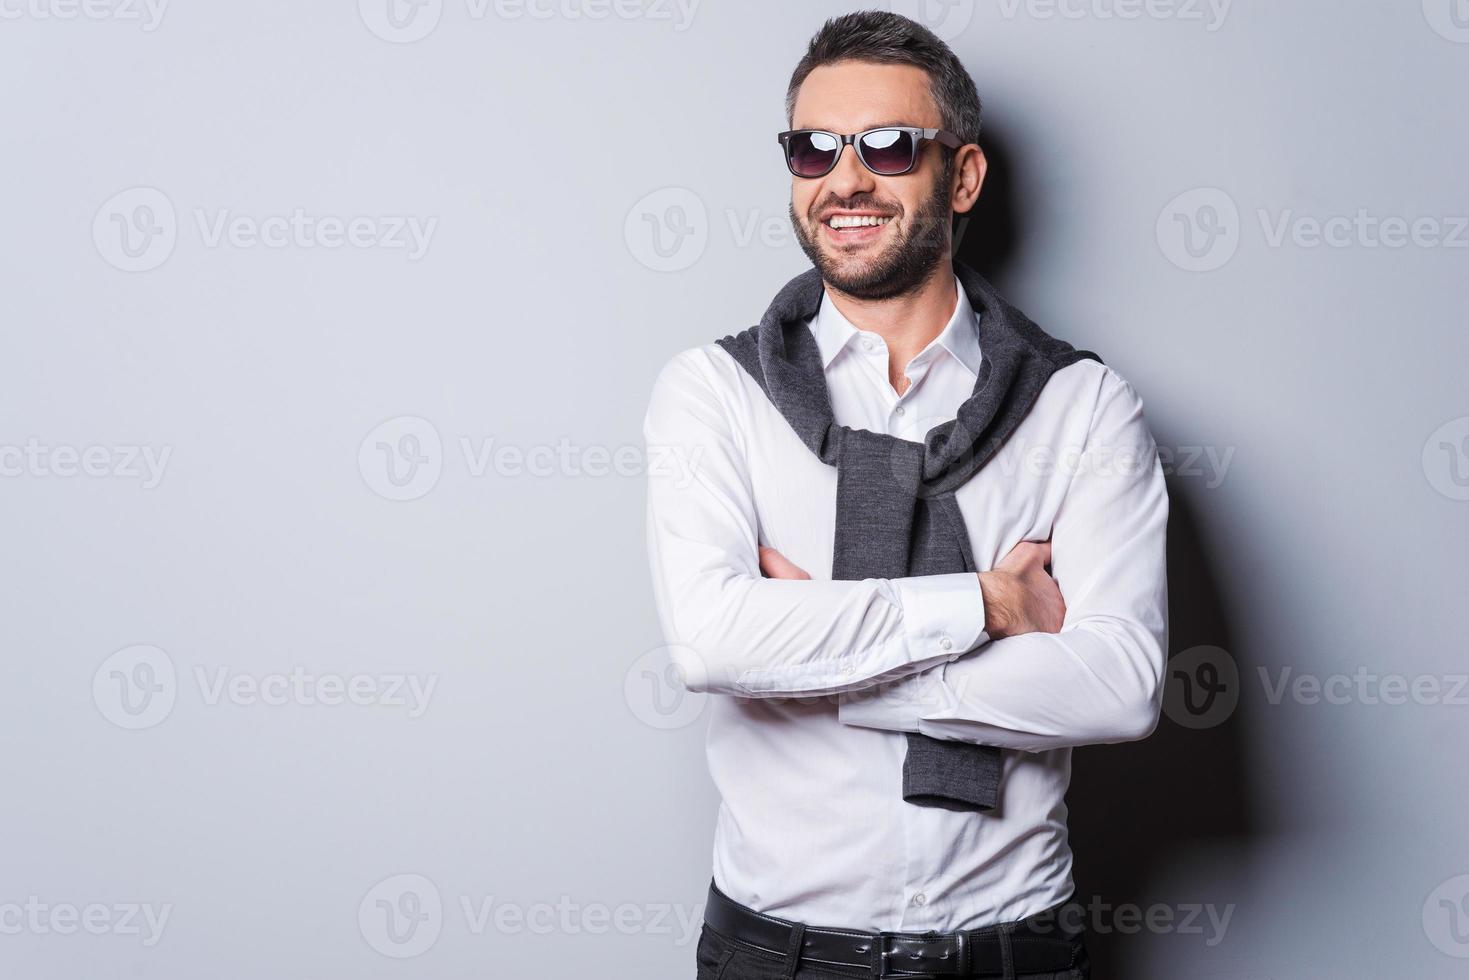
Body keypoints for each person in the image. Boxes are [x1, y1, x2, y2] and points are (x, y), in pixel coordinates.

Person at [643, 11, 1169, 978]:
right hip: (777, 955)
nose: (845, 179)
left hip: (1016, 949)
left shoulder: (1079, 404)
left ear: (961, 176)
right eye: (813, 149)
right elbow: (711, 640)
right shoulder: (712, 393)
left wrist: (829, 663)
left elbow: (1122, 686)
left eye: (887, 146)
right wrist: (985, 604)